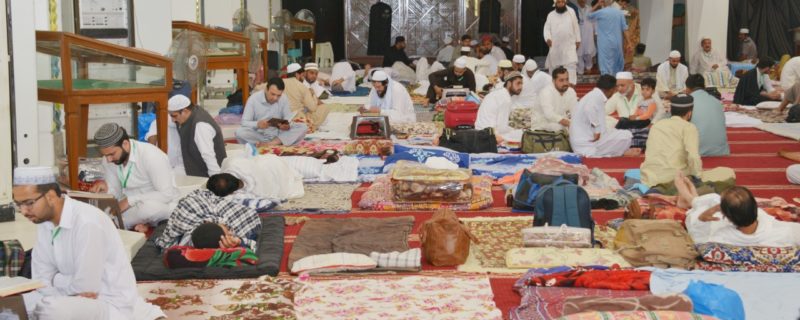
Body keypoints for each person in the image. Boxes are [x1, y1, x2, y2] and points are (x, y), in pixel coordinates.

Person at [12, 167, 164, 320]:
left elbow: (87, 289)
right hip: (67, 298)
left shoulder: (87, 222)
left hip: (108, 304)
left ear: (51, 196)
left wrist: (56, 280)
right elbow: (40, 280)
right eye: (19, 205)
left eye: (29, 203)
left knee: (51, 311)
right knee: (12, 304)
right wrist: (59, 283)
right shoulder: (44, 223)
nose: (24, 211)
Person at [90, 123, 179, 231]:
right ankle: (139, 223)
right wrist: (105, 191)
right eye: (105, 155)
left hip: (161, 204)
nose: (108, 159)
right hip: (131, 208)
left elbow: (166, 194)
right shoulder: (109, 160)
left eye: (112, 154)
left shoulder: (151, 156)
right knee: (100, 213)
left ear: (125, 144)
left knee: (148, 209)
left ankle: (128, 223)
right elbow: (115, 194)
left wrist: (130, 200)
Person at [678, 179, 800, 247]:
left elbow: (697, 236)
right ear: (755, 208)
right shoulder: (783, 232)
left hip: (717, 220)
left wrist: (705, 216)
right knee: (719, 200)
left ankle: (692, 199)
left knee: (710, 204)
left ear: (726, 216)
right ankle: (692, 199)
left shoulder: (719, 239)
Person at [154, 189, 261, 252]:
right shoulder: (181, 245)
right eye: (228, 231)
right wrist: (239, 242)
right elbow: (253, 247)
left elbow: (197, 196)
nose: (230, 231)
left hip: (204, 204)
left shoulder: (212, 219)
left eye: (226, 228)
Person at [640, 94, 702, 188]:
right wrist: (698, 177)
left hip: (648, 178)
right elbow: (693, 156)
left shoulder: (657, 125)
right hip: (673, 180)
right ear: (689, 113)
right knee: (724, 172)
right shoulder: (689, 127)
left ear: (671, 110)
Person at [569, 74, 635, 157]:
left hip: (583, 141)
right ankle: (615, 153)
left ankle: (612, 152)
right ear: (611, 89)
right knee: (627, 135)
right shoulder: (596, 96)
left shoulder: (594, 95)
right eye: (615, 89)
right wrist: (597, 130)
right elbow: (589, 109)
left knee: (615, 131)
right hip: (587, 144)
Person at [235, 77, 308, 146]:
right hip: (260, 135)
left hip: (278, 135)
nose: (275, 98)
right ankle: (274, 144)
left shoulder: (284, 98)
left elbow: (287, 118)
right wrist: (257, 124)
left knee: (302, 127)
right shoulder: (253, 99)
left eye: (278, 95)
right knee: (239, 132)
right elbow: (244, 122)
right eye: (272, 94)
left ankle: (271, 144)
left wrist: (286, 126)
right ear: (266, 89)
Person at [169, 94, 227, 178]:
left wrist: (216, 181)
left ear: (185, 111)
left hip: (204, 173)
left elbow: (208, 155)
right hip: (191, 165)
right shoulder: (192, 110)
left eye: (174, 116)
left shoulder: (201, 125)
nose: (172, 120)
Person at [475, 71, 524, 143]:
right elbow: (501, 127)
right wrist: (513, 131)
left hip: (481, 131)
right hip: (488, 135)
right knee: (521, 135)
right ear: (509, 84)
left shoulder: (499, 94)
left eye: (521, 84)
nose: (520, 87)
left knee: (517, 132)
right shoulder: (505, 98)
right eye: (518, 83)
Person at [687, 74, 730, 156]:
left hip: (697, 151)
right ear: (704, 86)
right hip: (721, 151)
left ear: (687, 88)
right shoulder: (716, 101)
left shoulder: (687, 102)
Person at [544, 0, 581, 85]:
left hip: (569, 45)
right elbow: (546, 29)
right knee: (554, 68)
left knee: (571, 66)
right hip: (555, 46)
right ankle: (553, 87)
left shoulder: (571, 12)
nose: (561, 4)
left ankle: (571, 88)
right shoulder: (551, 15)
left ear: (565, 3)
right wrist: (548, 38)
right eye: (559, 2)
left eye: (562, 2)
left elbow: (576, 26)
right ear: (555, 4)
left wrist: (578, 40)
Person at [283, 63, 330, 128]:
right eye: (302, 76)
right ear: (297, 75)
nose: (303, 78)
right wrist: (313, 95)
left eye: (316, 74)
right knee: (325, 107)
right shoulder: (302, 87)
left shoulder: (278, 83)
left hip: (281, 117)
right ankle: (311, 126)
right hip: (298, 118)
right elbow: (313, 108)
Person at [531, 66, 577, 132]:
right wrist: (569, 123)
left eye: (567, 79)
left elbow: (574, 110)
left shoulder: (571, 91)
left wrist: (574, 122)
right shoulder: (546, 92)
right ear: (553, 81)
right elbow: (549, 114)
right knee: (557, 127)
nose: (565, 83)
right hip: (543, 123)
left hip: (563, 121)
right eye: (561, 80)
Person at [588, 0, 627, 75]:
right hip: (617, 43)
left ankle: (606, 81)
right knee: (617, 65)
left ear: (603, 2)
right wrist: (629, 42)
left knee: (605, 65)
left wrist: (597, 4)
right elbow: (625, 28)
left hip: (604, 44)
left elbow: (588, 15)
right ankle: (616, 81)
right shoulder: (619, 12)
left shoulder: (601, 12)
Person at [576, 0, 596, 75]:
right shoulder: (574, 9)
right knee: (578, 53)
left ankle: (588, 67)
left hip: (589, 34)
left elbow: (594, 22)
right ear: (577, 1)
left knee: (589, 52)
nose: (582, 1)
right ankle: (580, 70)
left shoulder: (590, 9)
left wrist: (594, 33)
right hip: (578, 34)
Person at [618, 0, 640, 67]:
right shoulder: (616, 9)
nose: (619, 3)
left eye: (620, 1)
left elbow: (634, 15)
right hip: (620, 35)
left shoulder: (632, 10)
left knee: (629, 54)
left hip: (630, 36)